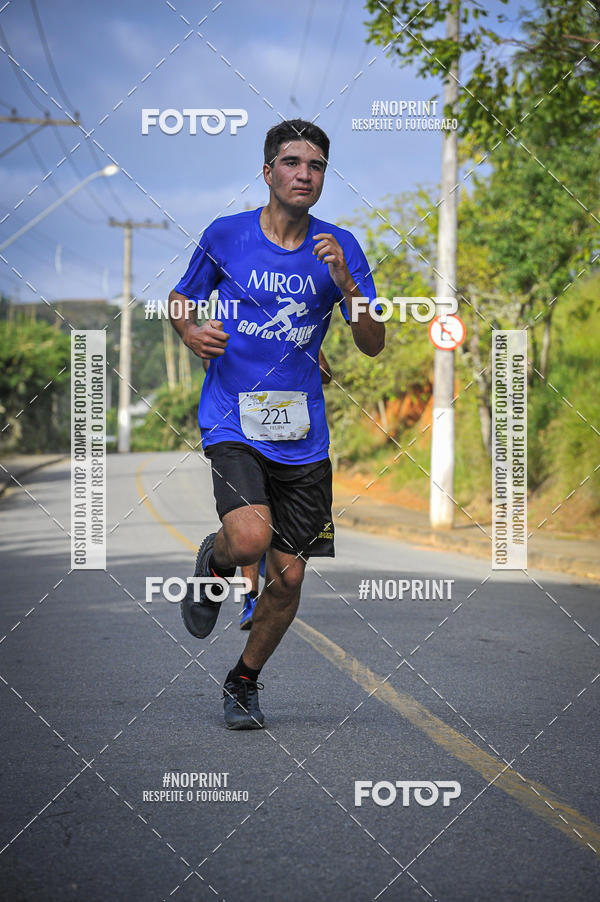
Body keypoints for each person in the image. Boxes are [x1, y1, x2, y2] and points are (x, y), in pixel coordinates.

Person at [168, 119, 384, 730]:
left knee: (287, 581)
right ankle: (215, 560)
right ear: (268, 172)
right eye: (292, 163)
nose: (304, 174)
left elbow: (372, 343)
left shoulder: (339, 245)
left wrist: (346, 284)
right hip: (234, 420)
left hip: (302, 436)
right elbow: (181, 297)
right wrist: (188, 329)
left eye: (316, 166)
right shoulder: (227, 234)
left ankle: (243, 679)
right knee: (250, 540)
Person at [202, 347, 333, 631]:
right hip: (246, 440)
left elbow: (325, 374)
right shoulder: (233, 326)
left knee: (278, 548)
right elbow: (210, 366)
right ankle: (250, 597)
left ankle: (246, 669)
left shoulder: (299, 337)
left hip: (293, 448)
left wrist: (303, 367)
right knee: (252, 531)